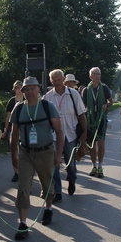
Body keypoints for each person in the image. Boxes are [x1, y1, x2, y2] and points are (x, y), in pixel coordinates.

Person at [9, 77, 64, 239]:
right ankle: (23, 223)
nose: (30, 92)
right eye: (26, 89)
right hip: (26, 152)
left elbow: (59, 132)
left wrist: (59, 155)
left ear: (38, 90)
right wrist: (14, 155)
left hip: (46, 151)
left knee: (47, 185)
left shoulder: (48, 107)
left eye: (32, 89)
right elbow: (14, 134)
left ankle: (48, 208)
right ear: (22, 91)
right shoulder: (18, 109)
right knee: (23, 187)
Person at [43, 69, 88, 199]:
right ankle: (57, 191)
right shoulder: (47, 97)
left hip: (71, 134)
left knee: (71, 163)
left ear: (63, 79)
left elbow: (81, 114)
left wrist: (84, 132)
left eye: (58, 80)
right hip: (53, 136)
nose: (57, 82)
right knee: (55, 163)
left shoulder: (73, 94)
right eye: (54, 80)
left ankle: (72, 179)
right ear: (51, 81)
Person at [82, 67, 113, 178]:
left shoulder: (104, 88)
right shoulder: (86, 90)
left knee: (101, 143)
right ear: (90, 76)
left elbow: (111, 101)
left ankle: (100, 166)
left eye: (99, 74)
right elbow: (83, 106)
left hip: (101, 120)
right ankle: (93, 165)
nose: (97, 76)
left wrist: (106, 105)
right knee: (92, 145)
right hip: (90, 120)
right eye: (95, 74)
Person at [2, 80, 24, 182]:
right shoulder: (12, 101)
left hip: (24, 128)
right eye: (17, 88)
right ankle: (16, 172)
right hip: (14, 127)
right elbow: (8, 117)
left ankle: (25, 172)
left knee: (24, 152)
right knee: (14, 151)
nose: (18, 90)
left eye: (20, 88)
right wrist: (6, 129)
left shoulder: (26, 99)